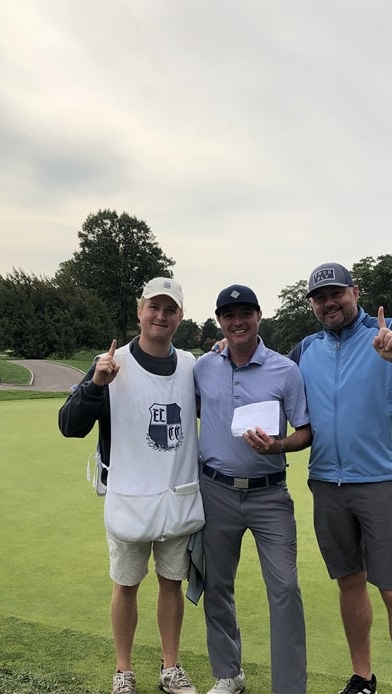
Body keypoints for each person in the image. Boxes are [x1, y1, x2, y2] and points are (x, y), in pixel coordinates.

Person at [287, 263, 392, 694]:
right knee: (349, 583)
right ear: (312, 305)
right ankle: (362, 677)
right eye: (319, 297)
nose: (329, 303)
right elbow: (267, 376)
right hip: (326, 481)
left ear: (355, 292)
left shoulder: (391, 331)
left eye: (336, 293)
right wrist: (223, 350)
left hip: (381, 481)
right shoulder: (305, 348)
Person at [58, 278, 204, 694]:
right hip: (129, 497)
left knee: (172, 584)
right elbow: (70, 426)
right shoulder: (110, 362)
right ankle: (123, 670)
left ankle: (170, 667)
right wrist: (95, 385)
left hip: (178, 496)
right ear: (140, 311)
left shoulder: (192, 364)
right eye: (153, 307)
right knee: (125, 585)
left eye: (170, 309)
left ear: (180, 316)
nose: (161, 316)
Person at [194, 284, 312, 694]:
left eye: (245, 313)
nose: (237, 321)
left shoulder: (285, 370)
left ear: (259, 316)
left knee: (285, 588)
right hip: (216, 492)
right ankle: (229, 674)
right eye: (229, 315)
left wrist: (278, 445)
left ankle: (290, 687)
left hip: (269, 495)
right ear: (219, 321)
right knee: (217, 586)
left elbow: (306, 431)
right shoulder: (203, 367)